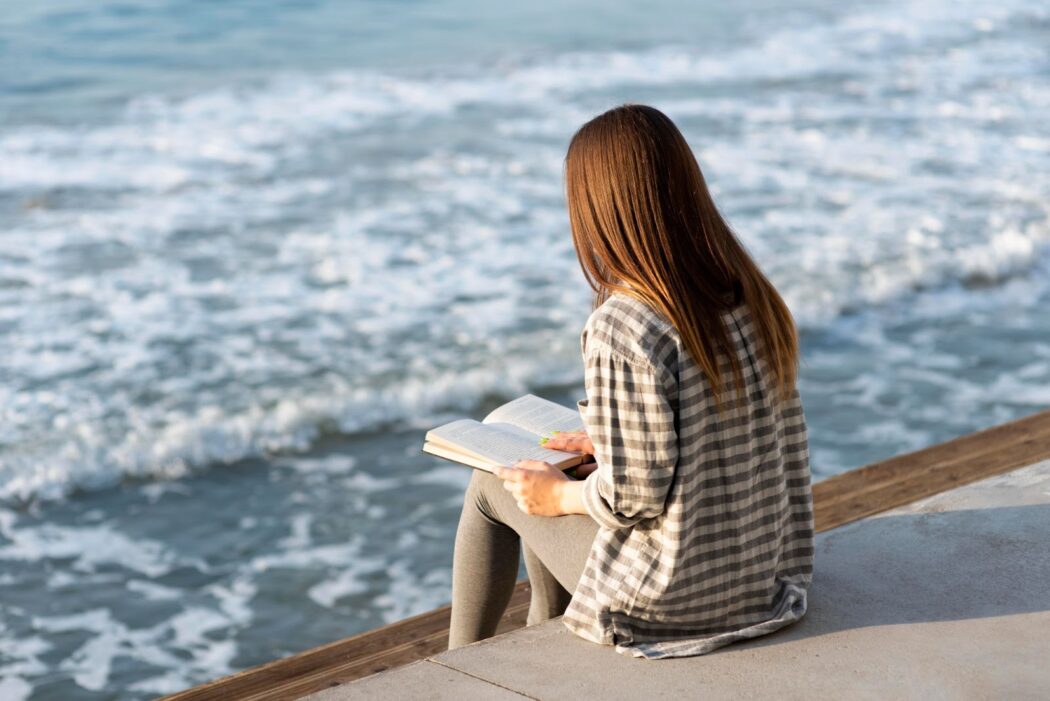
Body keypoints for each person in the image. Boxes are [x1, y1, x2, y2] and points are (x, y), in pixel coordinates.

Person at [448, 104, 814, 659]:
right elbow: (730, 426)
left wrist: (563, 494)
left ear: (599, 211)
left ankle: (455, 666)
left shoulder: (625, 325)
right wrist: (603, 445)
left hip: (676, 601)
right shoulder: (748, 292)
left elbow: (633, 496)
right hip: (759, 576)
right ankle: (547, 625)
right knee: (549, 476)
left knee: (495, 486)